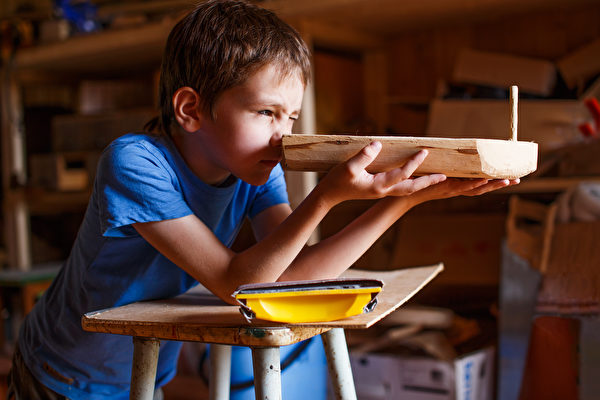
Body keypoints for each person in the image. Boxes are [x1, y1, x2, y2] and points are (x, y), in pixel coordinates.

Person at [8, 0, 517, 398]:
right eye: (266, 113)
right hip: (63, 370)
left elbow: (300, 281)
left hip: (137, 368)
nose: (282, 136)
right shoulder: (135, 163)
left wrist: (402, 202)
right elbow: (238, 284)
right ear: (191, 108)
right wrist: (324, 199)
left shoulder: (256, 169)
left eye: (290, 118)